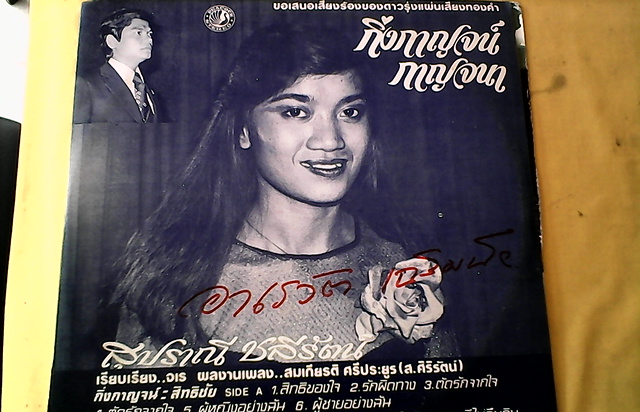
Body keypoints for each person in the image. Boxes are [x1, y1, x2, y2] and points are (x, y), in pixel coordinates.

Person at [110, 24, 455, 364]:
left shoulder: (404, 259)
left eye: (350, 112)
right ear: (243, 130)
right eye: (295, 112)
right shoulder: (180, 277)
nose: (330, 140)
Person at [73, 8, 160, 124]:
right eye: (139, 33)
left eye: (149, 34)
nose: (149, 39)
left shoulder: (150, 91)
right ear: (112, 41)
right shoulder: (86, 85)